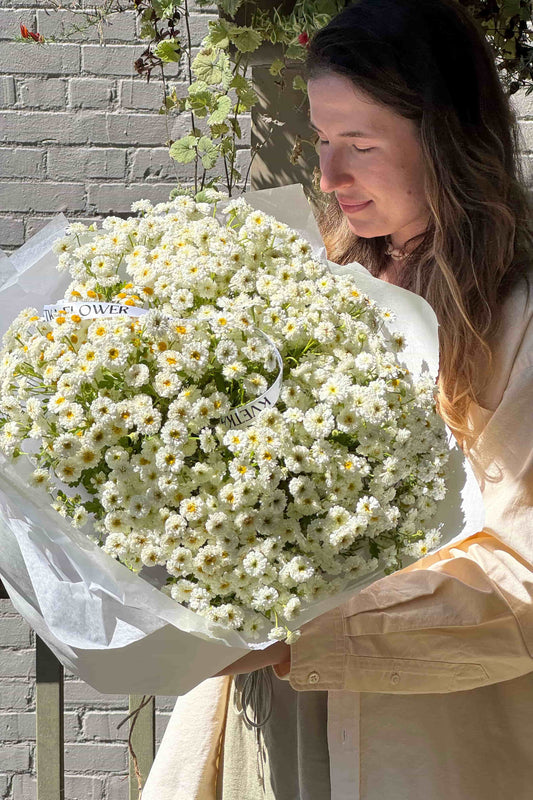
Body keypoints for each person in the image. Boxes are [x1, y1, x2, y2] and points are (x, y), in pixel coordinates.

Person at [142, 0, 533, 798]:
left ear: (449, 141)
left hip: (421, 735)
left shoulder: (517, 316)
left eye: (360, 144)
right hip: (257, 712)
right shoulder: (315, 286)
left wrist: (302, 637)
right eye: (322, 138)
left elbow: (521, 579)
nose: (328, 176)